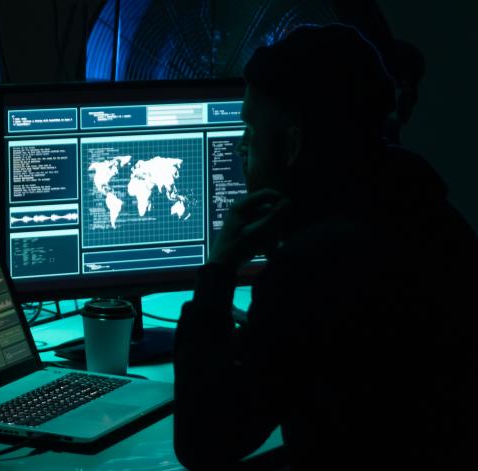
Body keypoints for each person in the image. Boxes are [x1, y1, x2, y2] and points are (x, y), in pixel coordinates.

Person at [173, 24, 477, 469]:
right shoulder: (428, 212)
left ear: (292, 144)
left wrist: (219, 269)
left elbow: (206, 443)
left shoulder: (312, 267)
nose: (241, 146)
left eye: (250, 130)